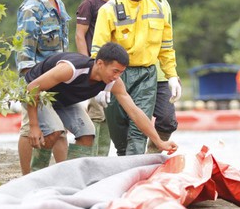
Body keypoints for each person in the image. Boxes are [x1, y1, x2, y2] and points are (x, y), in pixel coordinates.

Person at [25, 42, 179, 172]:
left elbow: (134, 112)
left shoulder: (114, 82)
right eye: (115, 71)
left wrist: (159, 142)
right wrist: (34, 126)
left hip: (62, 100)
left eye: (121, 72)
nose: (117, 76)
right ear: (99, 63)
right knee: (53, 131)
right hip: (39, 95)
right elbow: (32, 88)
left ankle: (69, 177)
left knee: (87, 133)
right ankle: (35, 177)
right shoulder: (71, 69)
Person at [91, 0, 182, 156]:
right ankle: (126, 164)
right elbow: (99, 49)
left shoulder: (158, 9)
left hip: (146, 75)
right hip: (116, 75)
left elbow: (166, 47)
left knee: (138, 130)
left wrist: (172, 75)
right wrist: (100, 83)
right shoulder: (109, 10)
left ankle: (137, 173)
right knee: (119, 131)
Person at [15, 0, 70, 175]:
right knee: (31, 129)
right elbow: (24, 53)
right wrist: (32, 91)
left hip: (57, 79)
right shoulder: (31, 8)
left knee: (60, 130)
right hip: (36, 80)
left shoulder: (59, 3)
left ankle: (64, 177)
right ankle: (27, 177)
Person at [75, 0, 116, 156]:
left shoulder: (117, 3)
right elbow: (79, 35)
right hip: (96, 67)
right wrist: (88, 64)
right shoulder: (89, 5)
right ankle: (90, 159)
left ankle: (103, 158)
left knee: (109, 115)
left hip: (114, 69)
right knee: (96, 114)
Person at [143, 0, 179, 153]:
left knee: (167, 119)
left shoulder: (163, 4)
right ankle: (132, 161)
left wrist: (172, 74)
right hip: (137, 72)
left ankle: (153, 154)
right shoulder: (126, 4)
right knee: (136, 122)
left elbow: (168, 43)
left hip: (161, 73)